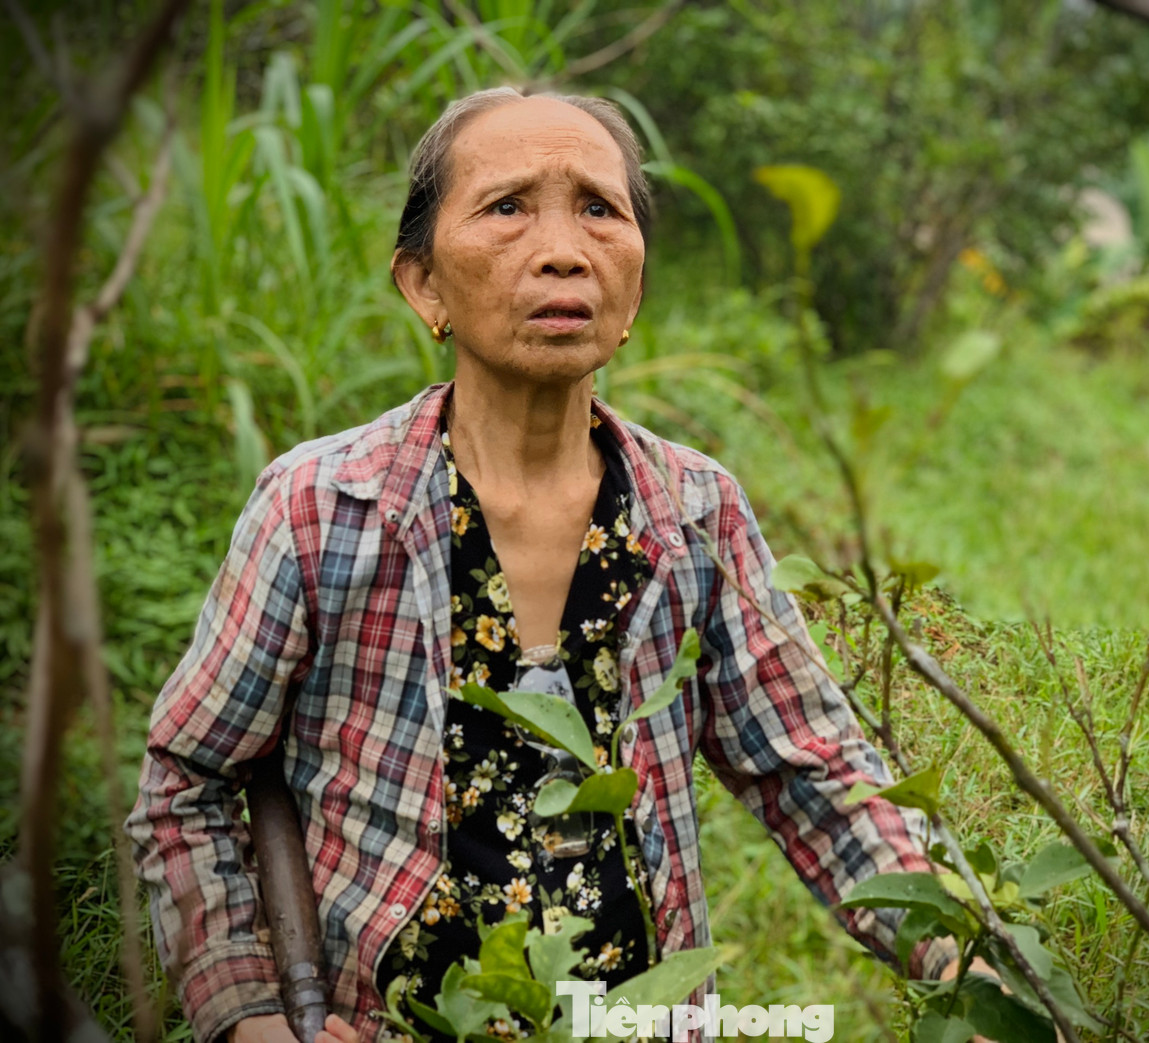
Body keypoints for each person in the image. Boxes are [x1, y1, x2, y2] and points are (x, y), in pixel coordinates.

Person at [126, 87, 960, 1043]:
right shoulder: (322, 508)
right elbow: (184, 781)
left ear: (636, 285)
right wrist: (250, 1016)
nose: (564, 248)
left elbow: (815, 776)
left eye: (600, 209)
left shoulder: (693, 512)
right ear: (424, 284)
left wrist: (968, 966)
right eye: (507, 206)